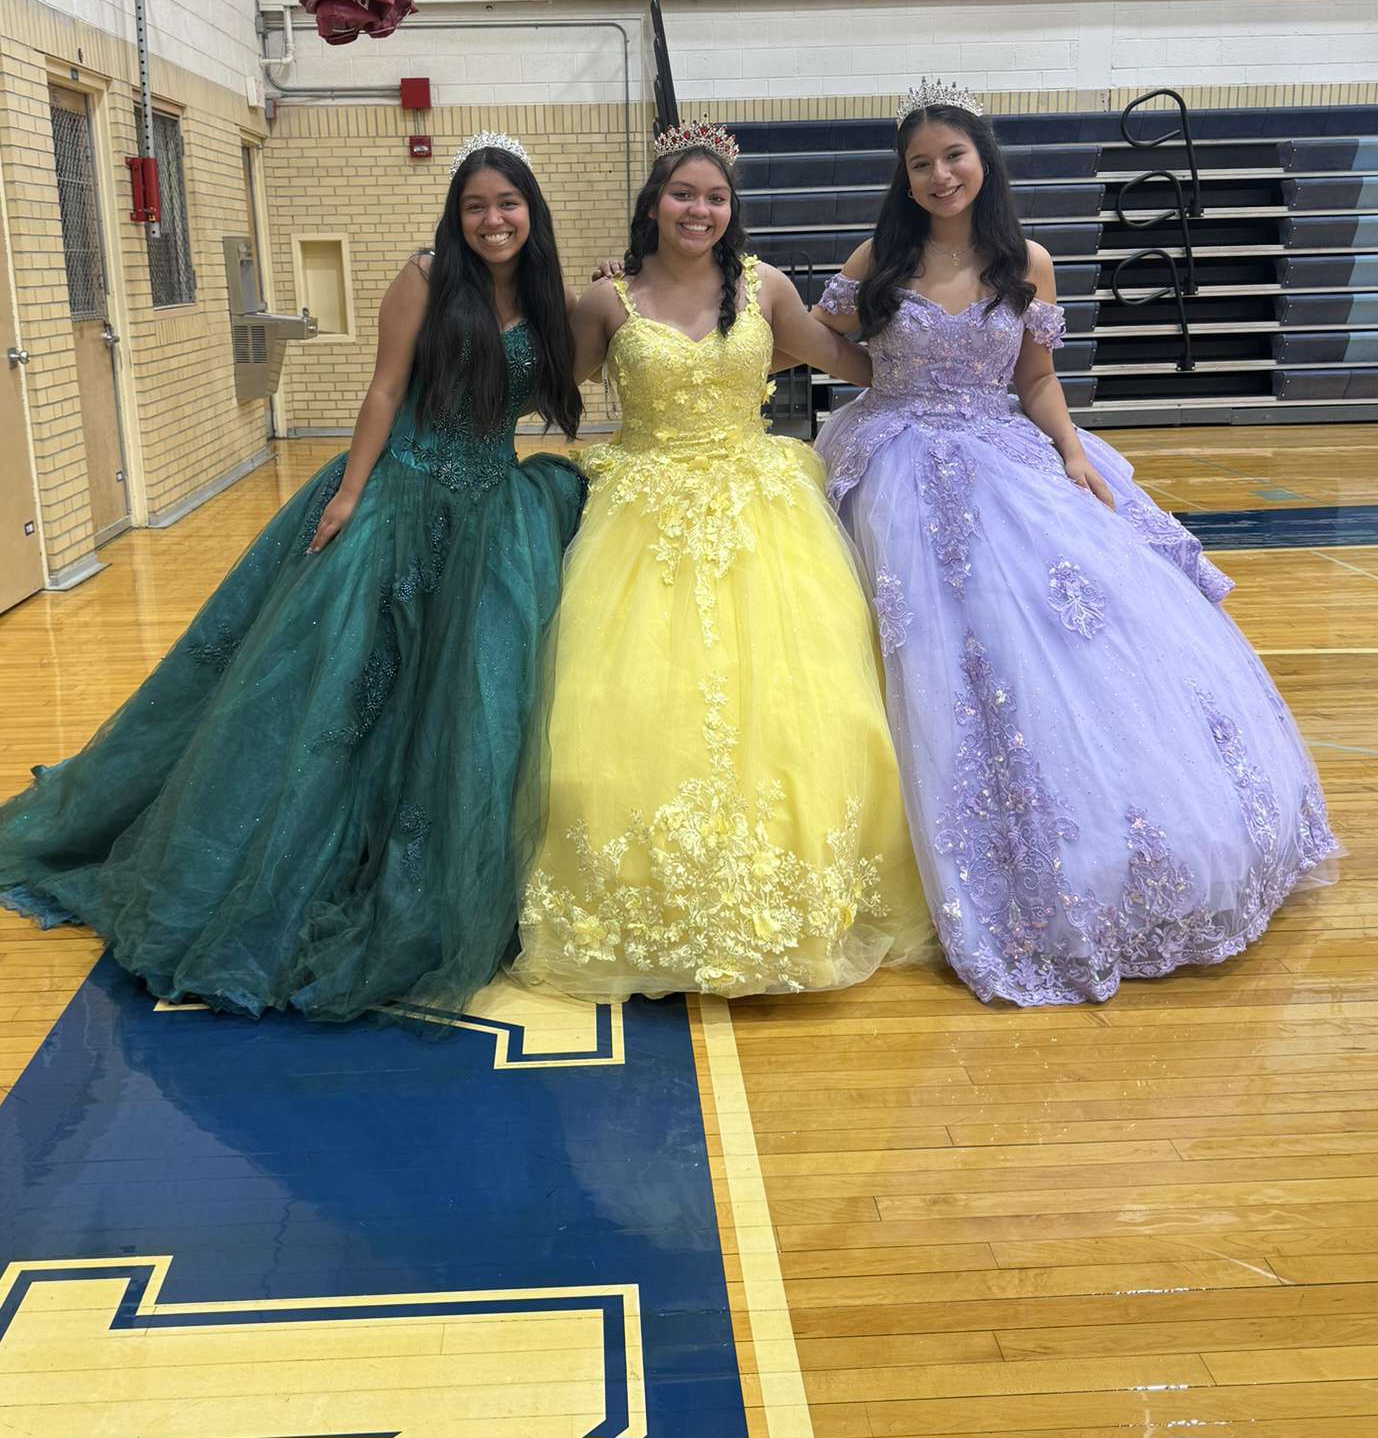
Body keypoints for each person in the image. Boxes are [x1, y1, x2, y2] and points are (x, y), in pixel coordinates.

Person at [0, 133, 586, 1025]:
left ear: (532, 213)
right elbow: (386, 390)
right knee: (339, 695)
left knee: (462, 706)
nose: (493, 219)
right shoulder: (425, 278)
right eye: (477, 205)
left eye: (508, 204)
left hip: (491, 519)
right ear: (455, 215)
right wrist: (350, 494)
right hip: (399, 498)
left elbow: (569, 384)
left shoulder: (550, 298)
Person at [812, 81, 1340, 1007]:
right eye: (921, 163)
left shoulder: (1027, 261)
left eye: (954, 156)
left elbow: (1039, 378)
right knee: (919, 647)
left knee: (1055, 633)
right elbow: (816, 341)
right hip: (889, 461)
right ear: (904, 177)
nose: (940, 175)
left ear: (984, 159)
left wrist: (1070, 453)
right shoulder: (876, 258)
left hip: (1001, 455)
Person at [515, 120, 934, 1000]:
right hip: (641, 518)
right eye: (682, 193)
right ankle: (644, 900)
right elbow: (552, 386)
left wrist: (949, 374)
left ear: (730, 208)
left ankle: (793, 898)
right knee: (623, 706)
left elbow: (849, 359)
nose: (698, 209)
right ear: (653, 204)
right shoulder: (608, 302)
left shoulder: (764, 287)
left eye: (713, 196)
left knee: (798, 711)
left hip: (764, 518)